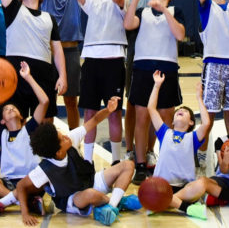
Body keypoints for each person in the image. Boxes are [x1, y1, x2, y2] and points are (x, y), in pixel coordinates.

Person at [15, 97, 140, 226]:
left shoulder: (69, 139)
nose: (66, 136)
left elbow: (94, 120)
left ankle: (112, 205)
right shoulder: (45, 169)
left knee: (128, 165)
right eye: (62, 139)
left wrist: (108, 110)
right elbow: (20, 186)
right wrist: (25, 213)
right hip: (73, 199)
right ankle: (117, 201)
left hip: (90, 182)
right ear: (58, 152)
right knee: (91, 194)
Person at [65, 0, 127, 164]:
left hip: (114, 60)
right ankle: (88, 161)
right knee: (89, 112)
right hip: (91, 59)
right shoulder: (92, 1)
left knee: (114, 112)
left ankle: (116, 161)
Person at [121, 0, 181, 167]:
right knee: (140, 114)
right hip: (141, 65)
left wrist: (164, 10)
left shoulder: (174, 11)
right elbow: (128, 24)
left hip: (167, 67)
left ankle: (162, 159)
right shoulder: (141, 9)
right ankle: (138, 160)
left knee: (165, 116)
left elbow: (180, 35)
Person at [0, 0, 66, 122]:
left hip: (44, 71)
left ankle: (44, 143)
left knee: (46, 121)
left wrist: (62, 75)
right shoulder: (13, 10)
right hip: (15, 69)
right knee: (14, 119)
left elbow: (57, 50)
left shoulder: (49, 18)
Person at [0, 61, 49, 216]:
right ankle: (25, 203)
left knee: (44, 176)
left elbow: (44, 101)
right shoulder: (2, 134)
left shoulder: (29, 129)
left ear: (21, 116)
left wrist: (28, 77)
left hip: (30, 180)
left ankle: (4, 201)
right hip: (8, 182)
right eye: (6, 109)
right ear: (2, 121)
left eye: (13, 108)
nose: (10, 108)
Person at [141, 72, 210, 219]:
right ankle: (187, 208)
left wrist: (199, 98)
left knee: (201, 184)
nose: (180, 111)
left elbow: (206, 123)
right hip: (162, 186)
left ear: (191, 122)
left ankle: (160, 203)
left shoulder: (193, 137)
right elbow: (151, 108)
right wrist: (157, 85)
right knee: (147, 186)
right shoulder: (164, 132)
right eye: (178, 111)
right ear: (172, 121)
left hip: (184, 188)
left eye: (185, 112)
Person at [37, 0, 84, 129]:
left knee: (71, 101)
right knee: (46, 101)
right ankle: (45, 140)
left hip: (70, 51)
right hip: (47, 52)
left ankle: (73, 142)